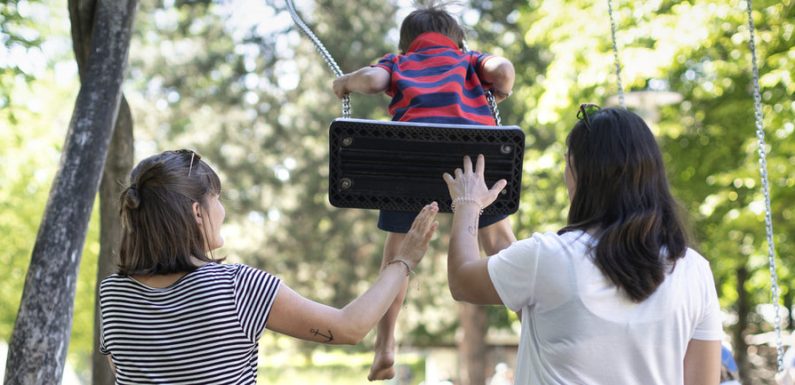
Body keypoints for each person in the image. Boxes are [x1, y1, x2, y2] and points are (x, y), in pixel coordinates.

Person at [98, 149, 439, 384]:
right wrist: (404, 259)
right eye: (217, 199)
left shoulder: (112, 294)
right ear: (196, 212)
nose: (222, 211)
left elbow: (124, 369)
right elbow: (348, 328)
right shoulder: (235, 287)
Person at [441, 106, 723, 384]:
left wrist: (467, 203)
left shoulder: (550, 258)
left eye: (567, 163)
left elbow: (462, 278)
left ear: (580, 174)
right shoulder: (695, 271)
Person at [331, 2, 516, 380]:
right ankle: (535, 311)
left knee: (397, 259)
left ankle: (385, 344)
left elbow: (372, 82)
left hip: (410, 161)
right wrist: (502, 91)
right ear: (457, 41)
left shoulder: (398, 63)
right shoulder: (468, 60)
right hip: (472, 161)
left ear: (406, 44)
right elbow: (504, 70)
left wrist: (344, 82)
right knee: (499, 241)